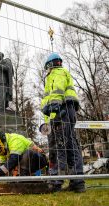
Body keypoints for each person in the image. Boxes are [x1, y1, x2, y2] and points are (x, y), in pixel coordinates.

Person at [41, 52, 85, 193]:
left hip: (61, 112)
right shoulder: (64, 72)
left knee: (59, 146)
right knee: (71, 146)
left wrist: (53, 106)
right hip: (67, 111)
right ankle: (77, 181)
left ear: (50, 65)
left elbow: (57, 90)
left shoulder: (56, 73)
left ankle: (56, 181)